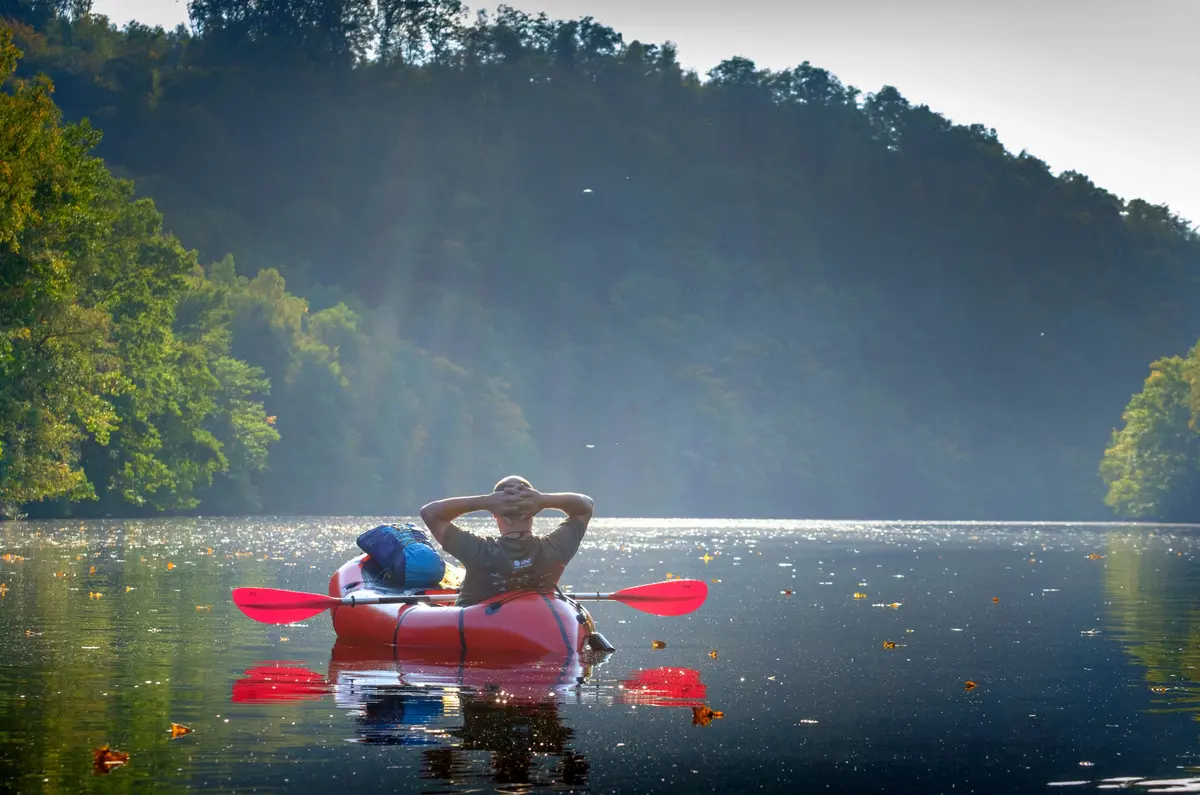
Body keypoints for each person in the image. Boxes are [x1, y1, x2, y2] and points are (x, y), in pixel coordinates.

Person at [419, 476, 594, 607]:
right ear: (533, 512)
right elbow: (586, 506)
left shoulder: (479, 551)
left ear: (495, 514)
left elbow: (430, 513)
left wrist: (486, 501)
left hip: (480, 631)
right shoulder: (555, 548)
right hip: (538, 627)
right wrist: (544, 500)